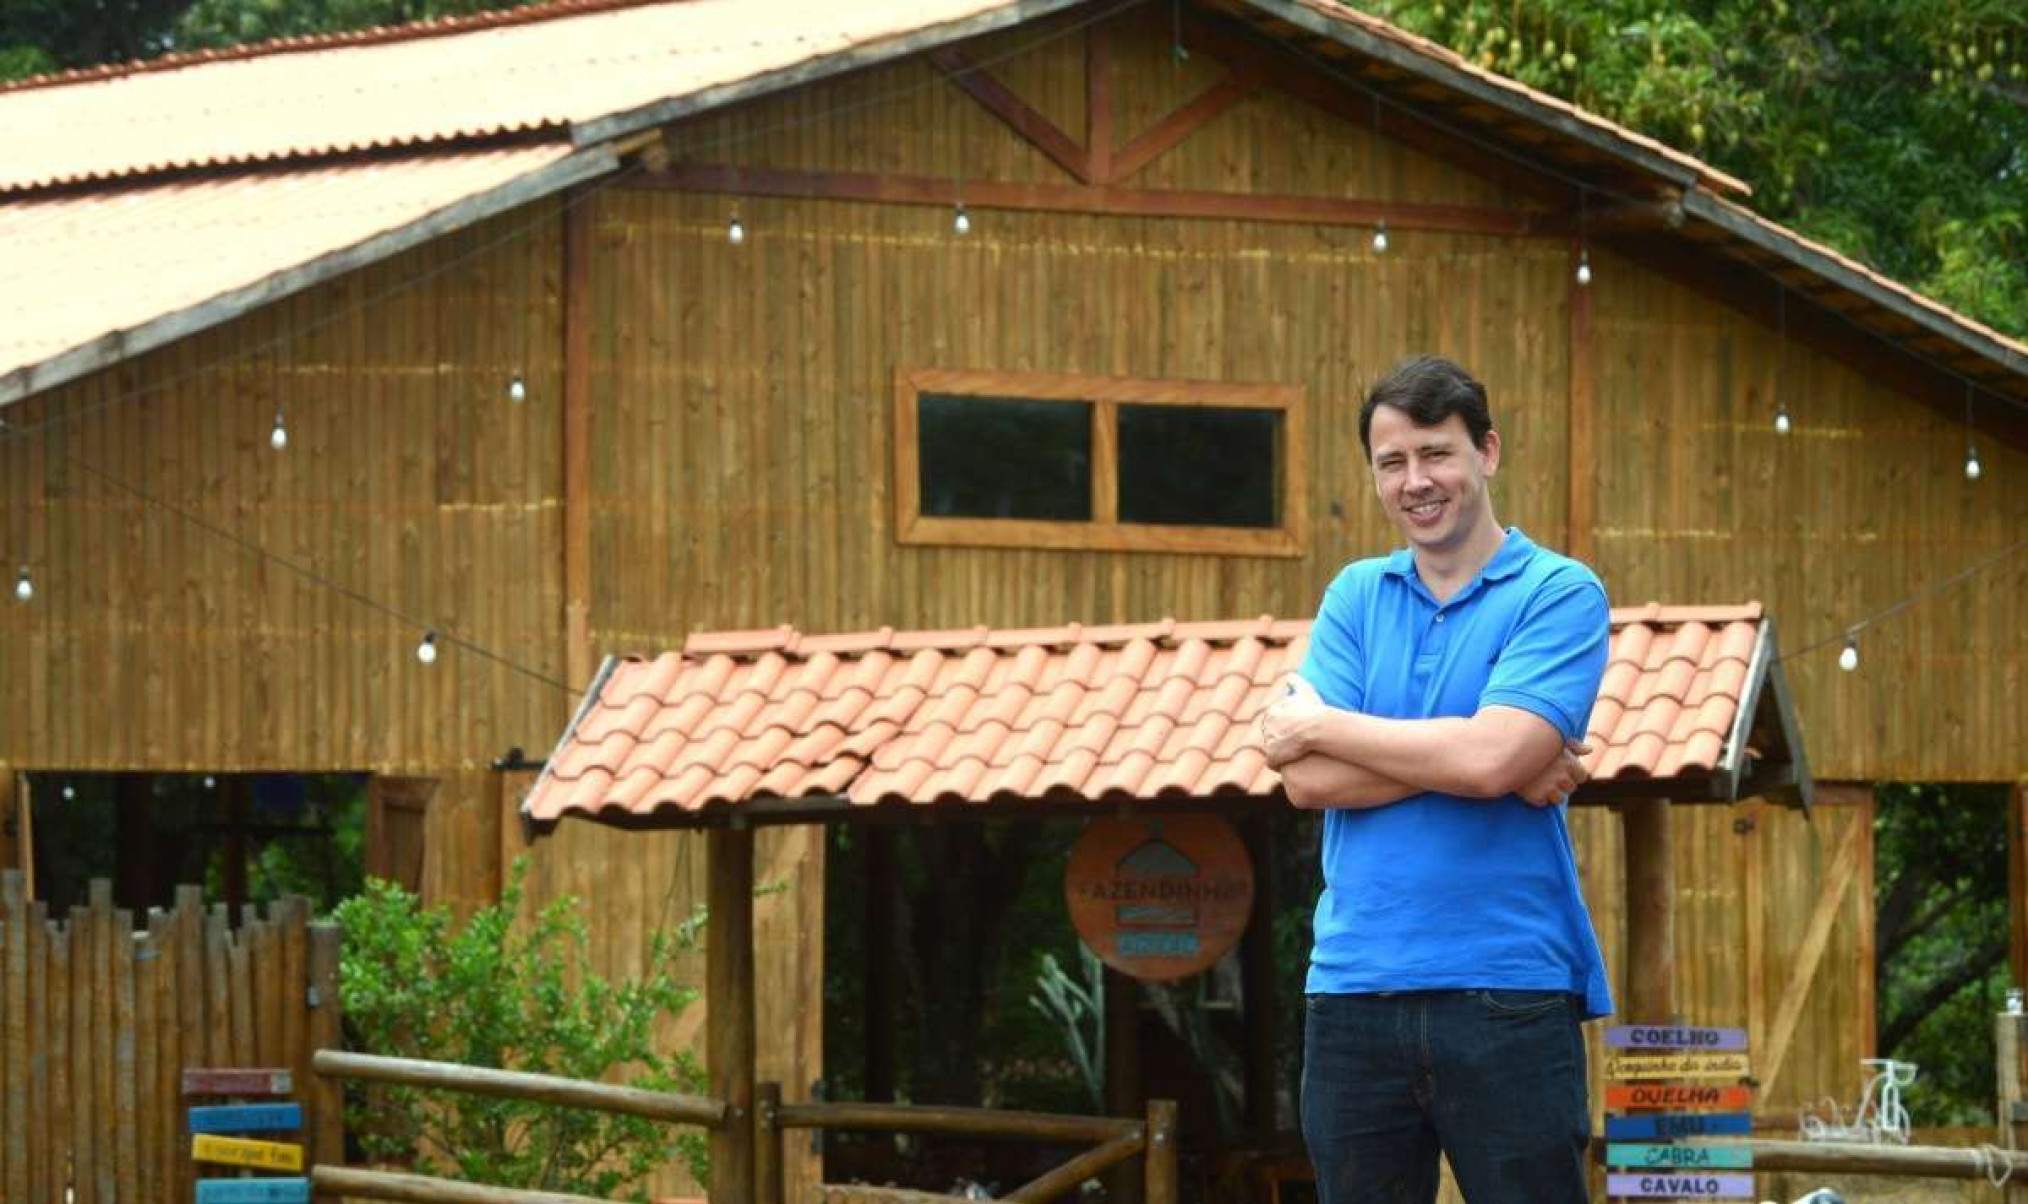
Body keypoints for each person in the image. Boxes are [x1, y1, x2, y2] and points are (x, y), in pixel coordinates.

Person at [1258, 355, 1612, 1204]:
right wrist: (1482, 760)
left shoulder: (1559, 592)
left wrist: (1328, 726)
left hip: (1509, 989)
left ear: (1486, 452)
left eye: (1436, 453)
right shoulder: (1354, 595)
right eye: (1392, 462)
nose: (1416, 481)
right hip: (1352, 988)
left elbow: (1491, 759)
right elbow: (1304, 784)